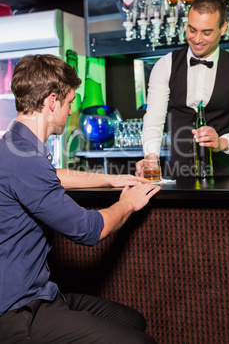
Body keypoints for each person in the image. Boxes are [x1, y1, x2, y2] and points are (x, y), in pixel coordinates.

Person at [0, 54, 161, 343]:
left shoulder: (14, 146)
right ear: (52, 101)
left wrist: (110, 179)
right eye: (70, 102)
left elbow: (54, 174)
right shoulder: (25, 160)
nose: (71, 111)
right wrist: (128, 203)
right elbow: (89, 230)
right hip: (16, 312)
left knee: (133, 321)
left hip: (40, 294)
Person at [136, 0, 229, 177]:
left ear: (222, 28)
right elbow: (154, 119)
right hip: (178, 173)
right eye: (192, 30)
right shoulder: (165, 65)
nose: (197, 39)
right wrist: (151, 157)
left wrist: (222, 142)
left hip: (224, 176)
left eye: (207, 32)